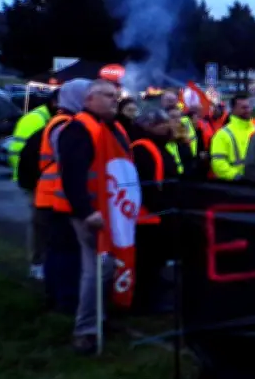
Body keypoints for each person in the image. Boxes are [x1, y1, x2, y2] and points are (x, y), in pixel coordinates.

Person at [53, 79, 130, 354]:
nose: (114, 100)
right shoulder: (78, 128)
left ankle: (99, 318)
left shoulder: (113, 126)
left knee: (105, 268)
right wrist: (86, 211)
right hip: (93, 213)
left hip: (112, 211)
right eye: (108, 95)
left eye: (116, 95)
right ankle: (85, 330)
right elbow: (72, 175)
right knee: (96, 269)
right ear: (89, 100)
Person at [32, 79, 90, 312]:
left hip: (52, 195)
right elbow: (68, 160)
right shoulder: (65, 124)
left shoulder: (60, 121)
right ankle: (63, 299)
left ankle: (56, 296)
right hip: (55, 197)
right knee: (63, 250)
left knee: (58, 249)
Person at [130, 109, 182, 313]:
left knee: (156, 260)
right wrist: (162, 208)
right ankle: (146, 302)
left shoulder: (158, 147)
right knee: (147, 262)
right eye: (163, 124)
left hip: (160, 214)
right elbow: (147, 186)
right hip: (149, 217)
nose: (168, 127)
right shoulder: (143, 149)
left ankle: (154, 296)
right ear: (149, 126)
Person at [9, 89, 59, 279]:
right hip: (34, 182)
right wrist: (34, 181)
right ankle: (36, 263)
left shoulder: (48, 118)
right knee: (39, 224)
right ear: (55, 102)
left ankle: (43, 261)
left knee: (46, 224)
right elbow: (18, 152)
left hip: (43, 181)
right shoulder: (35, 120)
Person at [210, 93, 255, 180]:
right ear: (233, 109)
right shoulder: (222, 135)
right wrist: (237, 177)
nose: (248, 110)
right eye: (244, 107)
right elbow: (218, 163)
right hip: (236, 186)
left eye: (249, 107)